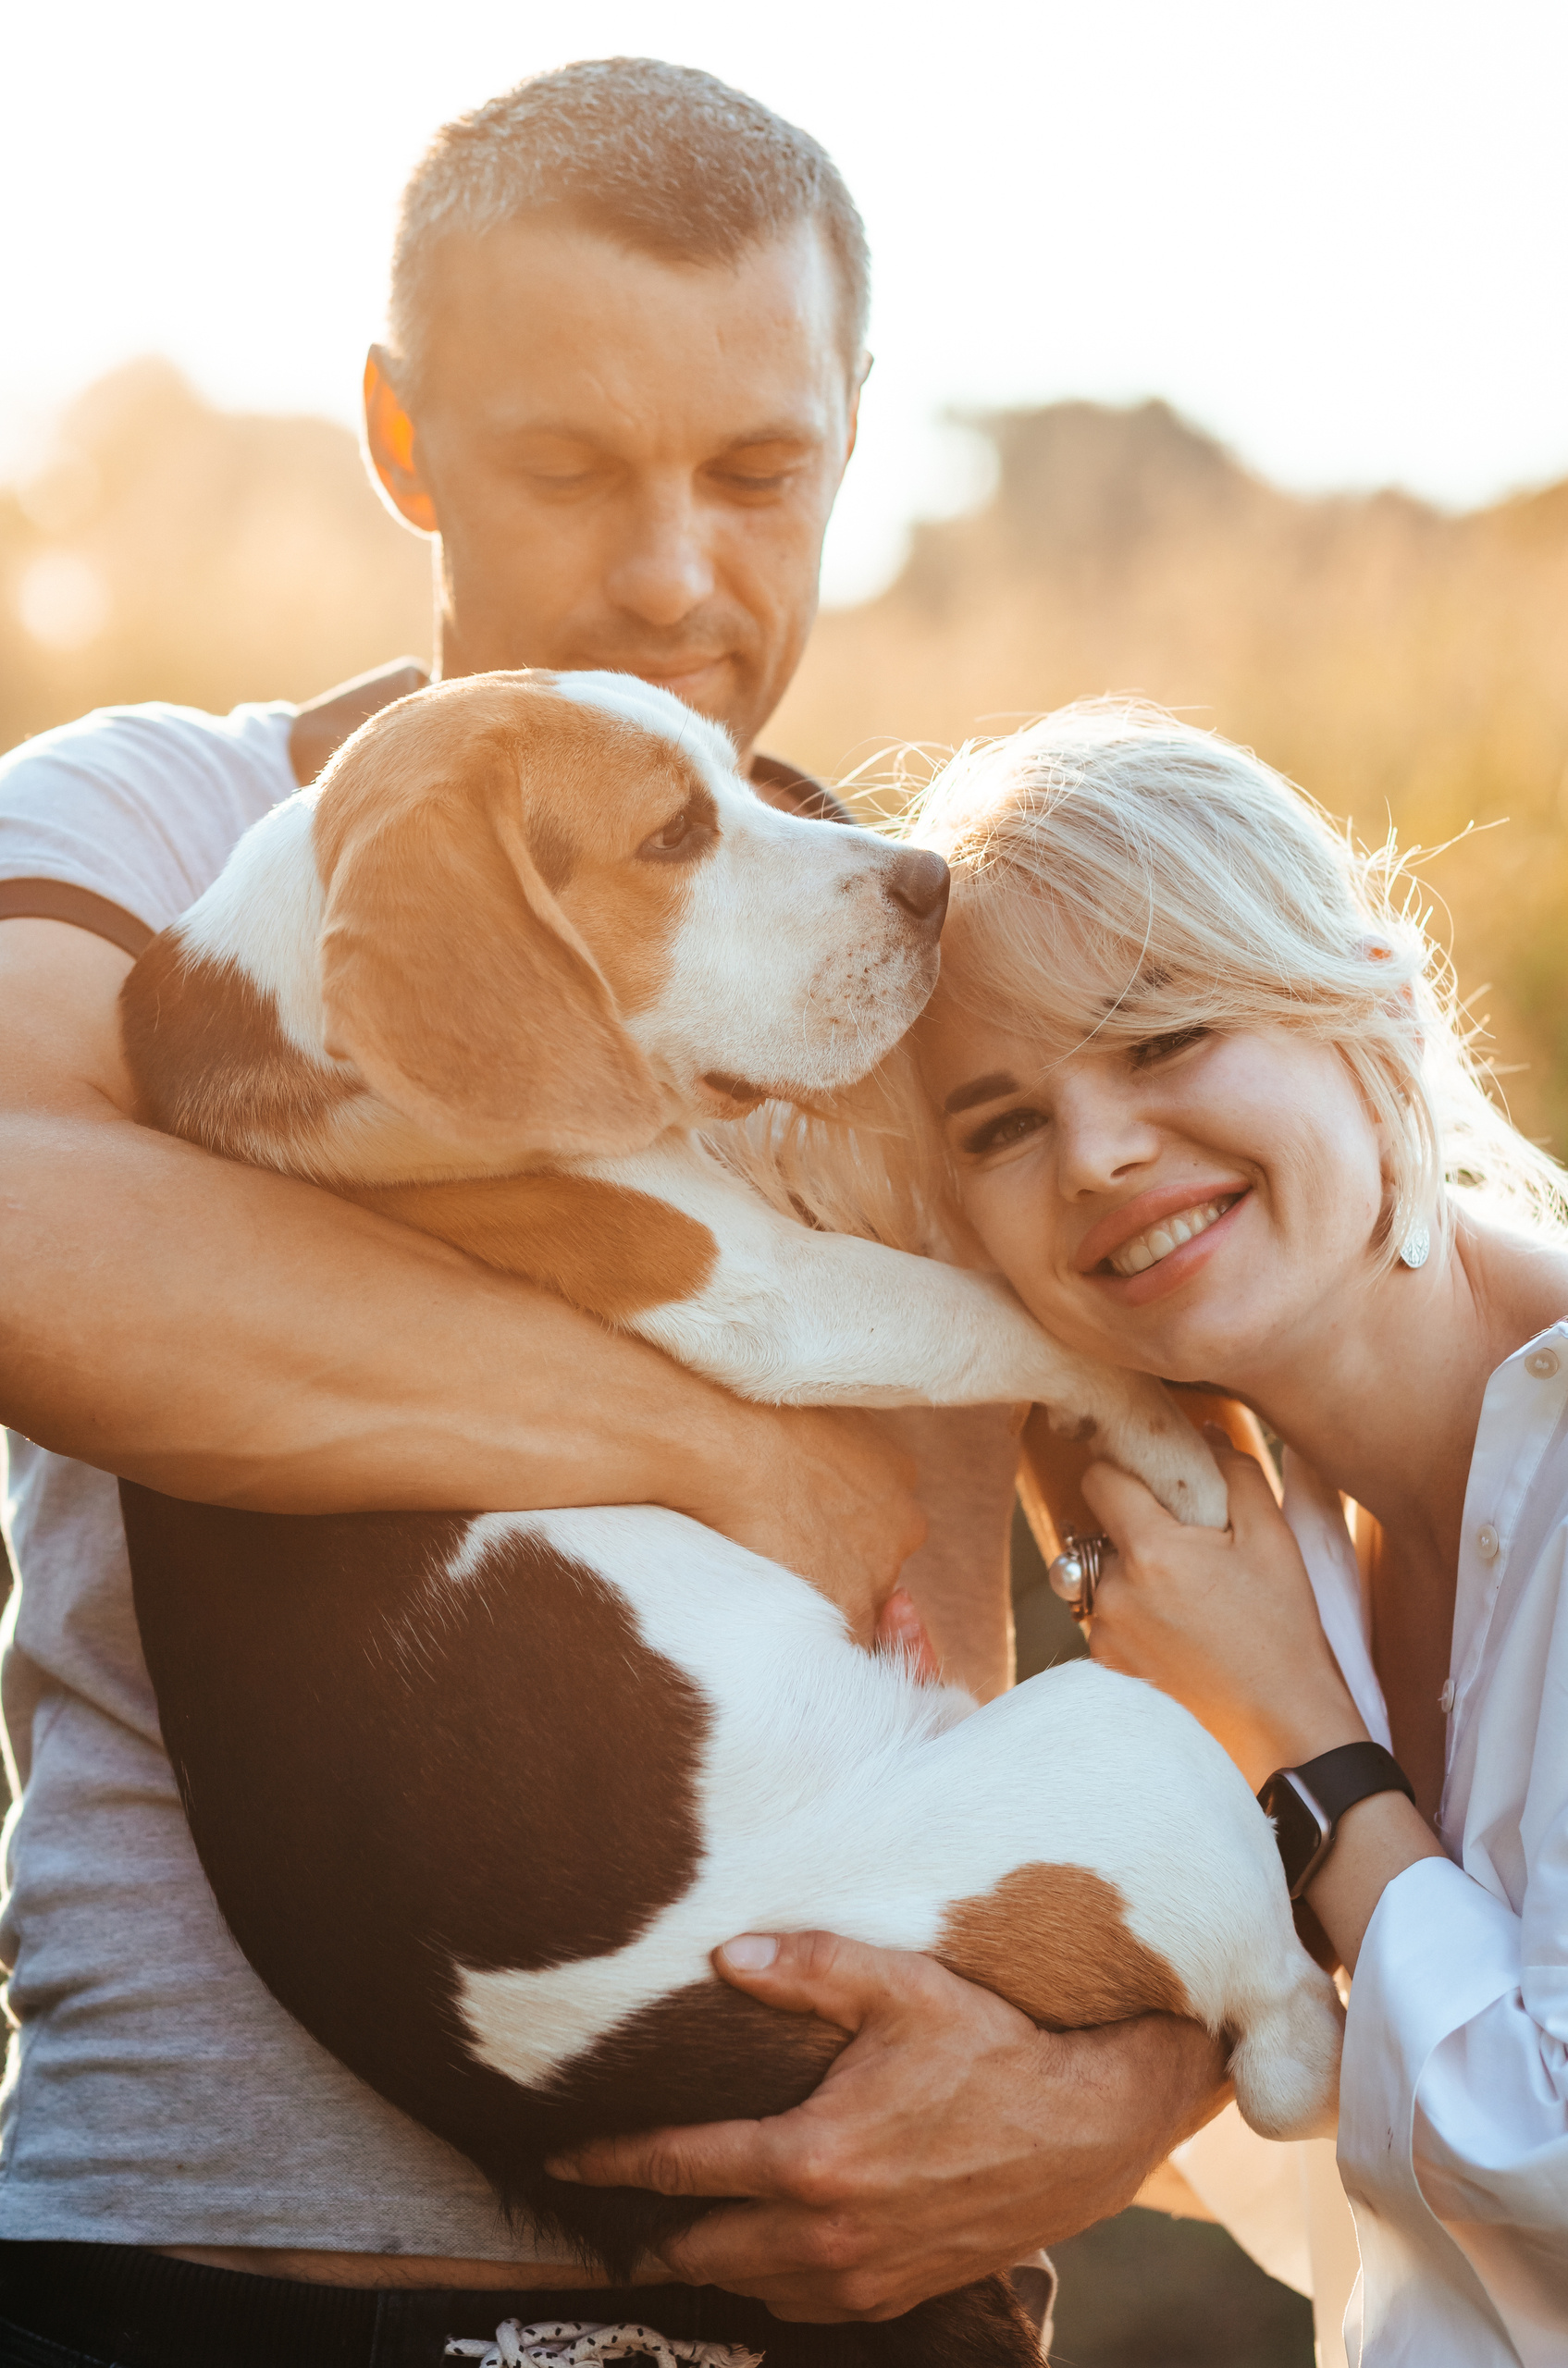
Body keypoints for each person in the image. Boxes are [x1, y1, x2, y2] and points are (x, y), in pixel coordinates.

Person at [0, 64, 1224, 2367]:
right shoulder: (153, 829)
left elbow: (1232, 1532)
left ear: (849, 437)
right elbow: (27, 1247)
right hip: (222, 2279)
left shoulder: (929, 942)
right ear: (402, 438)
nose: (669, 572)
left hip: (878, 2281)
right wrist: (717, 1439)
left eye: (755, 471)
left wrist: (1119, 2089)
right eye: (567, 468)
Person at [558, 703, 1568, 2366]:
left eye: (1162, 1034)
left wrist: (1303, 1747)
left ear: (1375, 998)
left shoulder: (1262, 1631)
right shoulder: (1250, 1540)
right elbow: (1351, 2145)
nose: (1096, 1152)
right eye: (1002, 1125)